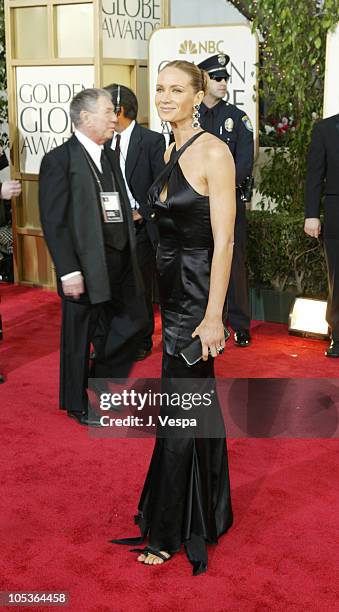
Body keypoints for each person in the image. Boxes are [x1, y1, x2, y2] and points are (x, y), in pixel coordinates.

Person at [111, 60, 235, 574]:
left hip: (197, 299)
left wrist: (213, 317)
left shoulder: (214, 152)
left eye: (177, 89)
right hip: (174, 299)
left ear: (196, 95)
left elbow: (224, 240)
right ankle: (209, 513)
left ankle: (168, 532)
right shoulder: (170, 149)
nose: (164, 97)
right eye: (159, 89)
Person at [39, 88, 146, 426]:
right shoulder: (59, 160)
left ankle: (101, 387)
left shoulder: (109, 155)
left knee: (126, 327)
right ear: (85, 118)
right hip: (83, 266)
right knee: (79, 336)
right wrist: (68, 271)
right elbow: (54, 222)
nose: (115, 117)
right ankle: (75, 402)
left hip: (117, 258)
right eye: (107, 112)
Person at [104, 84, 166, 360]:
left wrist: (141, 212)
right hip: (111, 225)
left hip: (141, 225)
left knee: (140, 286)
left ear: (120, 111)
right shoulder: (102, 141)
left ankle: (142, 339)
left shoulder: (151, 141)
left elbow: (161, 186)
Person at [197, 53, 254, 347]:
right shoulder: (190, 117)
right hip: (196, 205)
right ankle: (204, 319)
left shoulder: (237, 118)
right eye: (217, 78)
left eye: (226, 78)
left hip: (229, 202)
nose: (223, 83)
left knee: (234, 262)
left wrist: (218, 190)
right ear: (203, 79)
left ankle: (241, 324)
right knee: (199, 262)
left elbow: (244, 162)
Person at [304, 113, 339, 357]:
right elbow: (315, 175)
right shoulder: (325, 129)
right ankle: (337, 335)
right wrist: (311, 214)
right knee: (337, 280)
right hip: (337, 213)